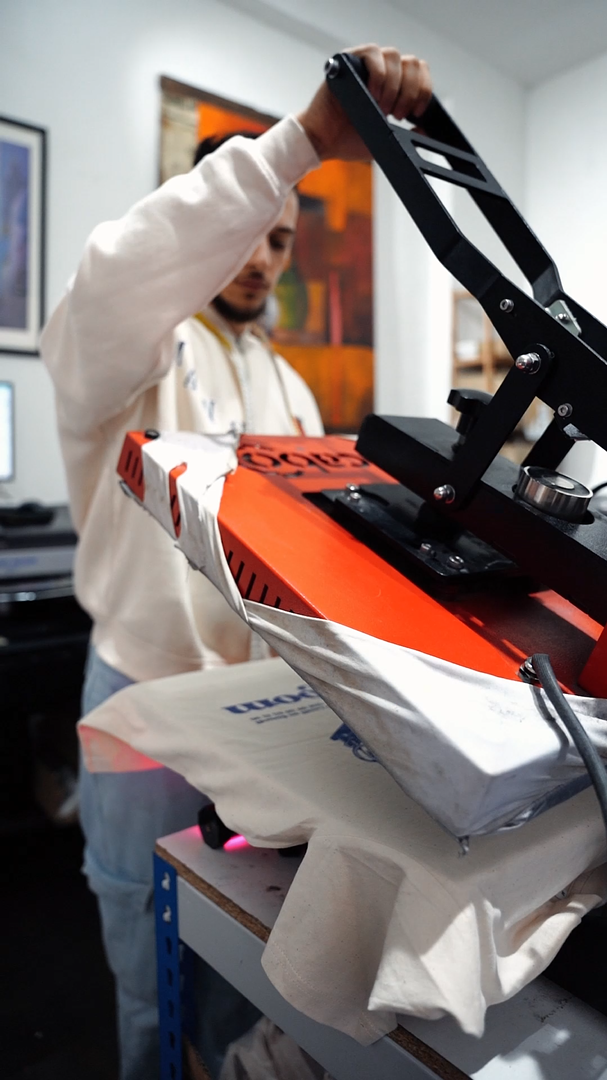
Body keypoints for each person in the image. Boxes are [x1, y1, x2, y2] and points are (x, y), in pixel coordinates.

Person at [41, 43, 432, 1080]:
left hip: (261, 713)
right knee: (142, 940)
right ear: (200, 218)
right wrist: (299, 145)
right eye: (242, 227)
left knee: (238, 936)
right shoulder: (125, 350)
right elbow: (125, 271)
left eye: (278, 238)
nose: (259, 254)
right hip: (138, 694)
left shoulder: (288, 386)